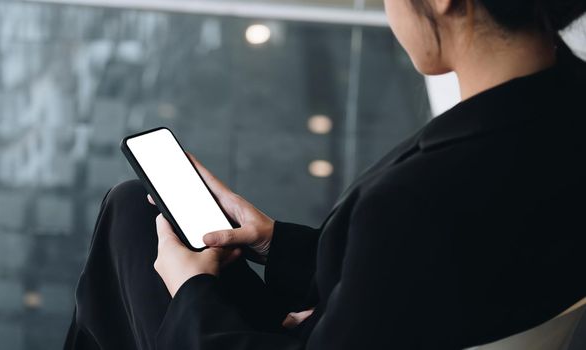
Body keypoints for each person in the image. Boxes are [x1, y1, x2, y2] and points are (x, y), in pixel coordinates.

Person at [64, 0, 586, 349]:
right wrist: (271, 241)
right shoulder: (559, 120)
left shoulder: (418, 201)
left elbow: (406, 251)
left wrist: (190, 289)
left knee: (130, 221)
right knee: (134, 208)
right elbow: (413, 274)